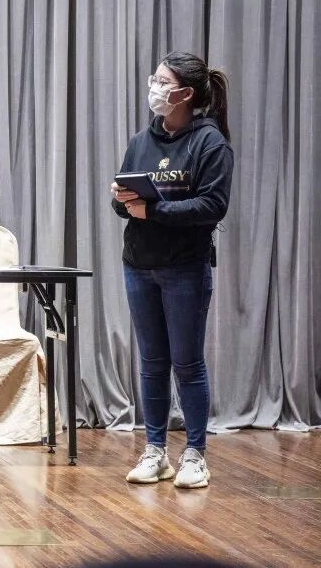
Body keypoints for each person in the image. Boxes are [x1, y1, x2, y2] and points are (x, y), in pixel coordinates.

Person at [111, 51, 233, 489]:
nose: (155, 88)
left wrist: (153, 210)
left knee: (187, 362)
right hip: (138, 265)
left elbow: (211, 206)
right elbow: (123, 202)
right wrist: (123, 199)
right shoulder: (141, 141)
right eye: (155, 79)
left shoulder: (211, 144)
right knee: (152, 363)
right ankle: (155, 451)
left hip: (185, 268)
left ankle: (195, 455)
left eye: (163, 82)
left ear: (185, 94)